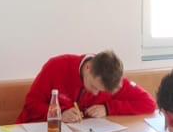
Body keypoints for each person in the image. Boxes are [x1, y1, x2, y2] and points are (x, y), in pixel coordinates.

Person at [17, 50, 156, 124]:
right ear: (88, 68)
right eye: (93, 86)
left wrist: (108, 108)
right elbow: (31, 104)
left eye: (101, 91)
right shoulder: (56, 67)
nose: (95, 94)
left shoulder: (112, 78)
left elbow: (149, 103)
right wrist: (59, 113)